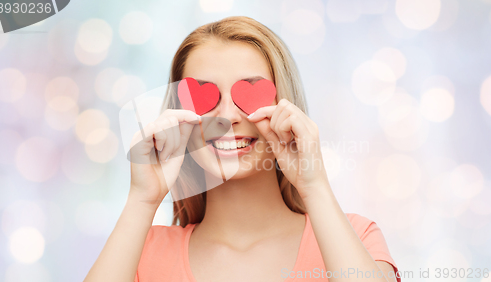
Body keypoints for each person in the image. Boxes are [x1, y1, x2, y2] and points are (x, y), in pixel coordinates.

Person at [83, 16, 400, 282]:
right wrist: (142, 199)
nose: (226, 117)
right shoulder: (141, 252)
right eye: (204, 96)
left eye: (250, 93)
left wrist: (314, 186)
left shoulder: (356, 237)